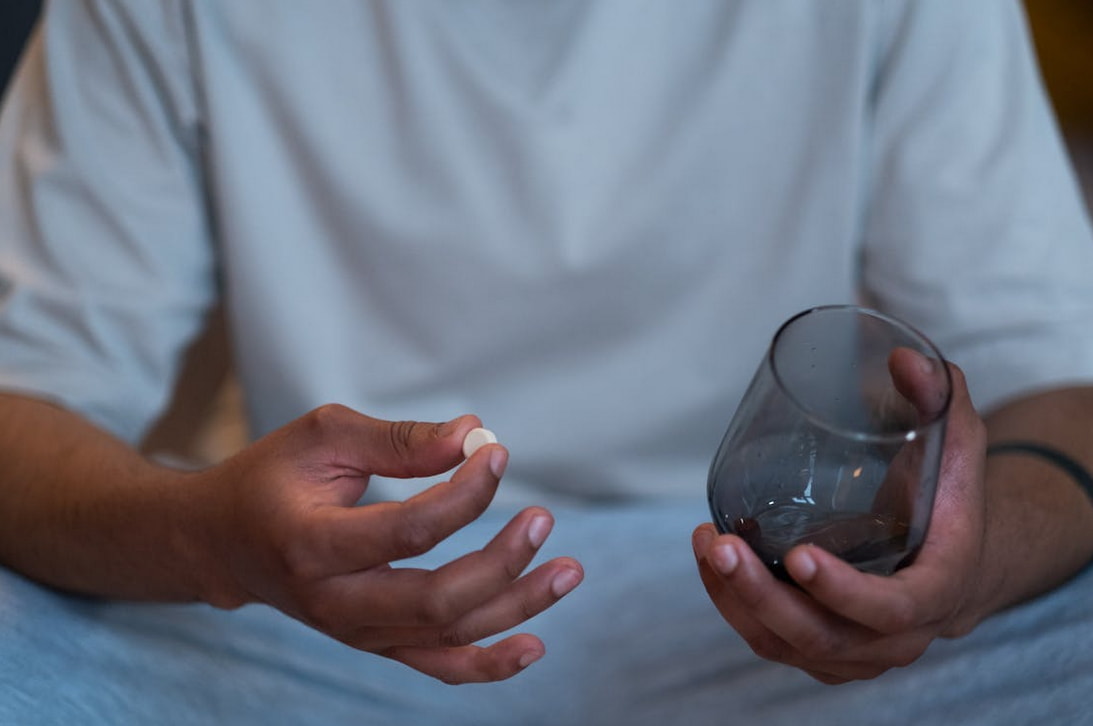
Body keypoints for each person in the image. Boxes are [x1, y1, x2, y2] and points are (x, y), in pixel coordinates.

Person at [1, 1, 1092, 723]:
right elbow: (24, 401)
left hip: (783, 620)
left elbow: (1062, 387)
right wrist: (209, 544)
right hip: (310, 620)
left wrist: (973, 560)